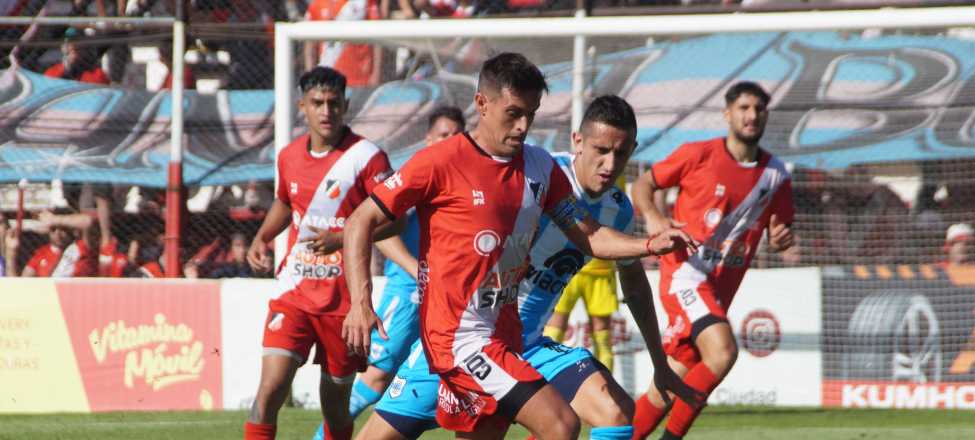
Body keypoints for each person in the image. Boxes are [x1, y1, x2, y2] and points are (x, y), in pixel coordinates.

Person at [341, 53, 694, 440]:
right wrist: (361, 302)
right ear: (482, 104)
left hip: (512, 340)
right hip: (456, 339)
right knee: (560, 424)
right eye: (513, 113)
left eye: (532, 113)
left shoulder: (541, 169)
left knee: (607, 412)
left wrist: (648, 243)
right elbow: (361, 220)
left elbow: (589, 235)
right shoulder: (439, 162)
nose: (524, 126)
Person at [629, 81, 795, 439]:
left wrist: (783, 238)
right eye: (744, 108)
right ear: (727, 113)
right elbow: (643, 184)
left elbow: (780, 232)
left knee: (667, 388)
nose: (752, 115)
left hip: (717, 290)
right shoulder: (697, 154)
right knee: (722, 351)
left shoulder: (776, 175)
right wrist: (654, 217)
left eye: (759, 109)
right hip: (684, 274)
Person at [242, 66, 395, 440]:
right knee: (270, 390)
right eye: (317, 103)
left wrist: (342, 238)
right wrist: (262, 237)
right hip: (294, 291)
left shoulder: (367, 157)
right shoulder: (289, 156)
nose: (326, 111)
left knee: (336, 405)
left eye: (333, 103)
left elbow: (396, 221)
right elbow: (284, 202)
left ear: (346, 105)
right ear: (302, 107)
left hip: (345, 302)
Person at [310, 105, 467, 440]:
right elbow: (382, 230)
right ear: (428, 138)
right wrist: (417, 270)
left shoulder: (463, 180)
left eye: (456, 135)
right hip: (408, 297)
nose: (450, 140)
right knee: (376, 378)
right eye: (443, 134)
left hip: (445, 303)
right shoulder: (418, 177)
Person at [542, 175, 627, 372]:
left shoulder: (608, 172)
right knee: (559, 331)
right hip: (574, 266)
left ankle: (604, 388)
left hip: (593, 268)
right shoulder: (571, 172)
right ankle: (549, 383)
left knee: (598, 338)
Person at [303, 0, 387, 87]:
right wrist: (311, 77)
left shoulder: (364, 2)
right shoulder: (318, 3)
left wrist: (376, 73)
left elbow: (378, 40)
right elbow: (310, 46)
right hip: (328, 80)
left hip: (360, 79)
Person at [43, 29, 110, 85]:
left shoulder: (96, 73)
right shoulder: (51, 72)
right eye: (68, 43)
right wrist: (67, 68)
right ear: (62, 47)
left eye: (77, 41)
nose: (73, 46)